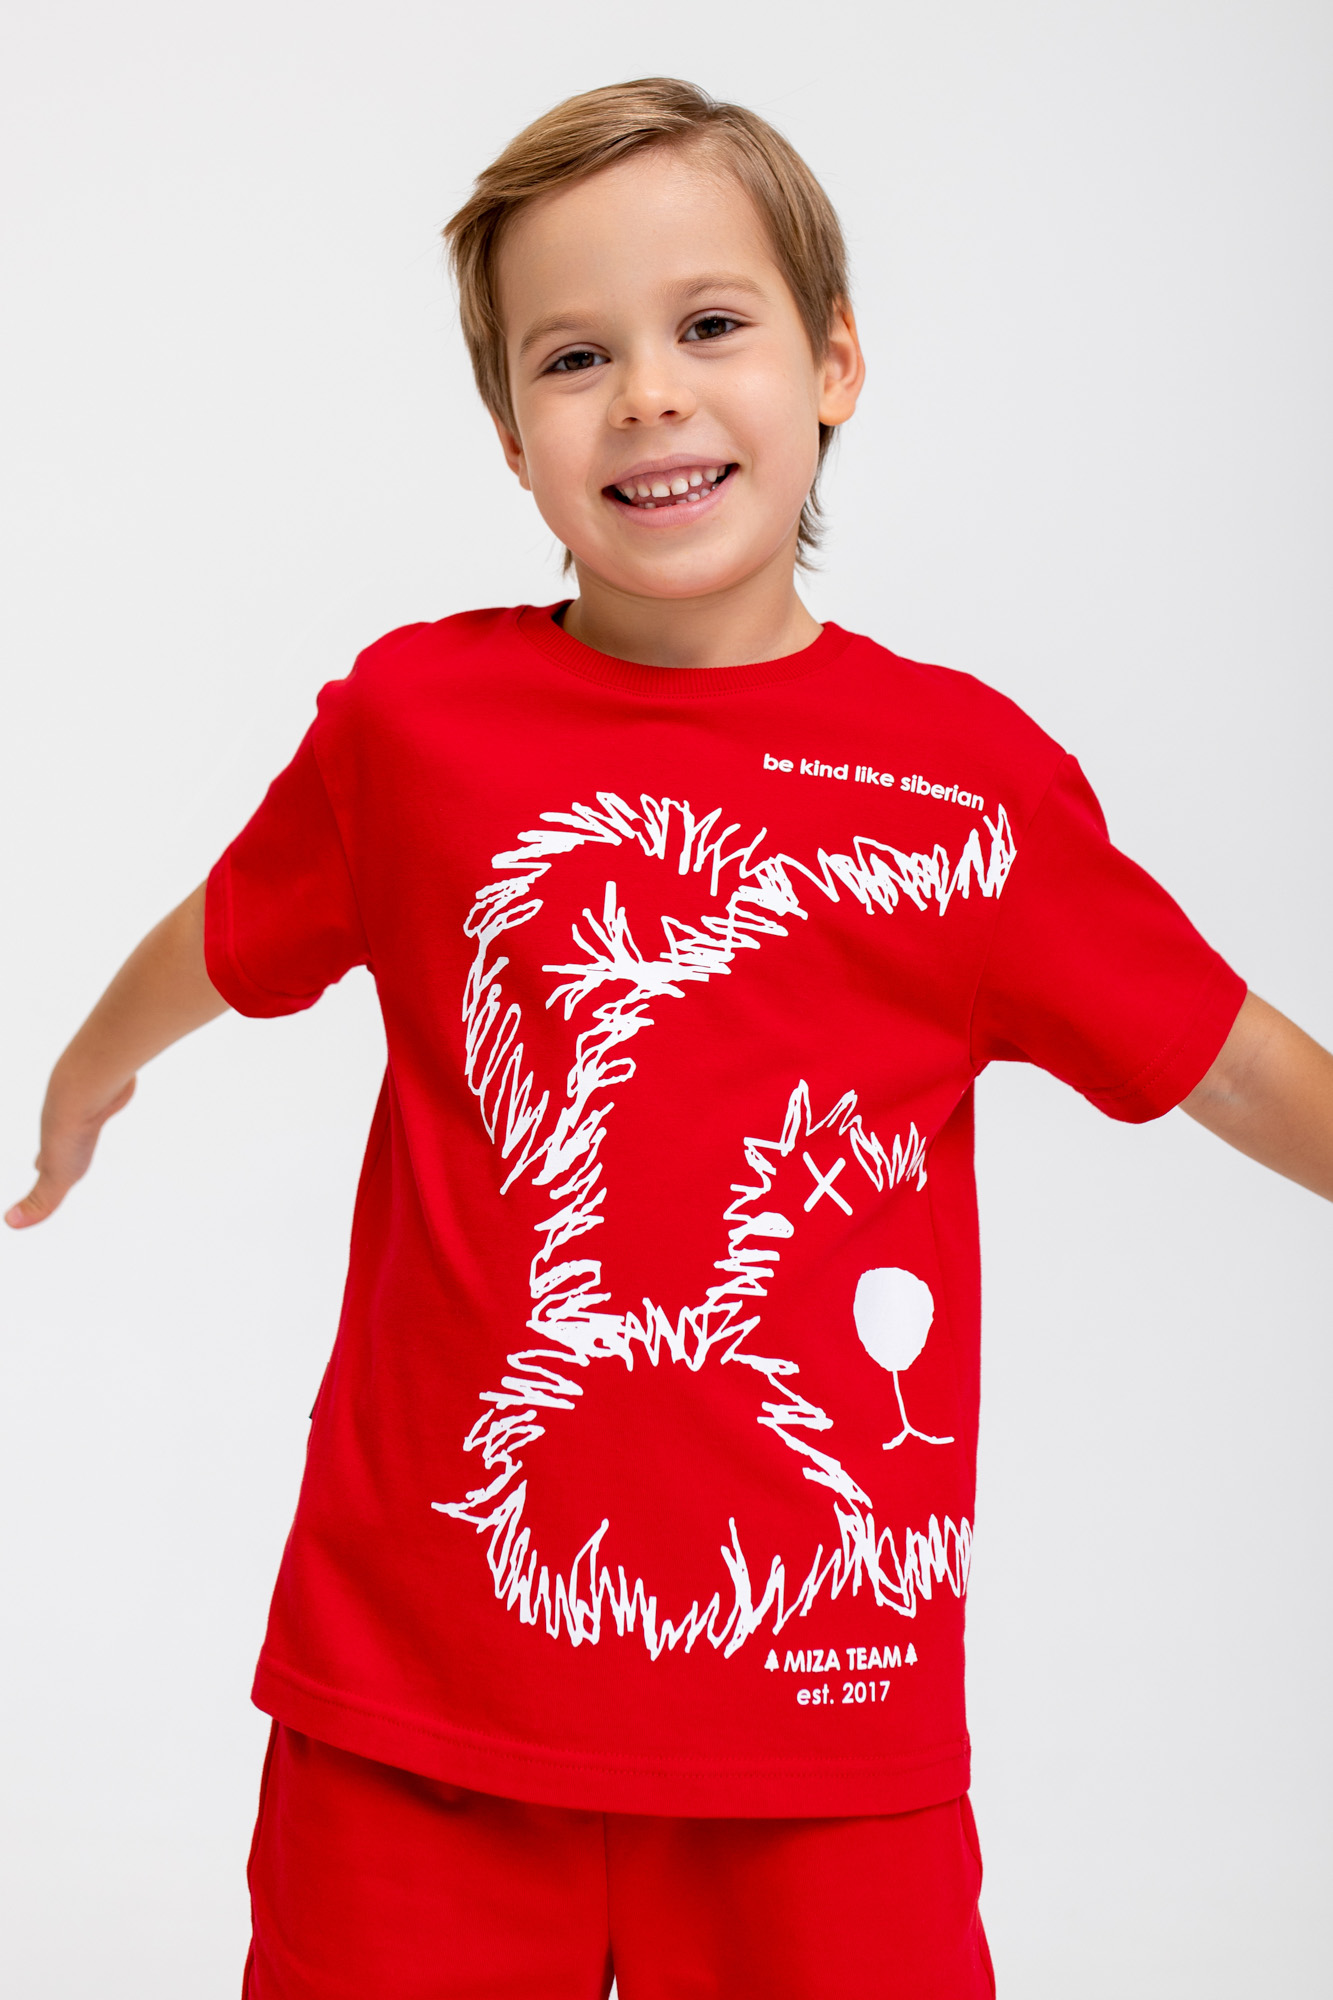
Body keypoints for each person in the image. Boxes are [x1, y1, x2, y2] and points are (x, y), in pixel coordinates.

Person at [6, 76, 1332, 2000]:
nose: (646, 393)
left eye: (710, 324)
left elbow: (1229, 1056)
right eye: (574, 355)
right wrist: (84, 1076)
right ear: (509, 437)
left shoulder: (962, 786)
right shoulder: (412, 732)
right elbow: (222, 935)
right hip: (420, 1711)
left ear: (833, 363)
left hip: (821, 1731)